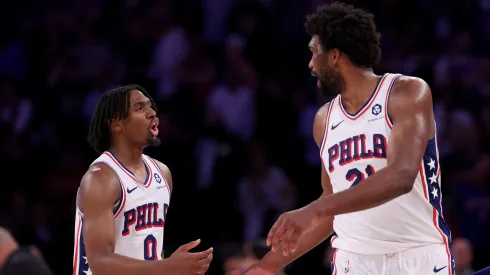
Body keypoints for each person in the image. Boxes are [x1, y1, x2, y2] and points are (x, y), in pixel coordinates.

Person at [245, 2, 454, 275]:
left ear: (333, 56)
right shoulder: (324, 120)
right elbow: (333, 208)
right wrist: (264, 268)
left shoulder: (406, 91)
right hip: (353, 261)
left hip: (417, 255)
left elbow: (401, 176)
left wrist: (315, 208)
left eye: (313, 53)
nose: (310, 64)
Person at [73, 85, 213, 275]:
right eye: (139, 108)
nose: (151, 113)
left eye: (150, 106)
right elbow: (99, 261)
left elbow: (150, 247)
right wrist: (168, 267)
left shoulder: (162, 173)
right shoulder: (101, 178)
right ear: (116, 124)